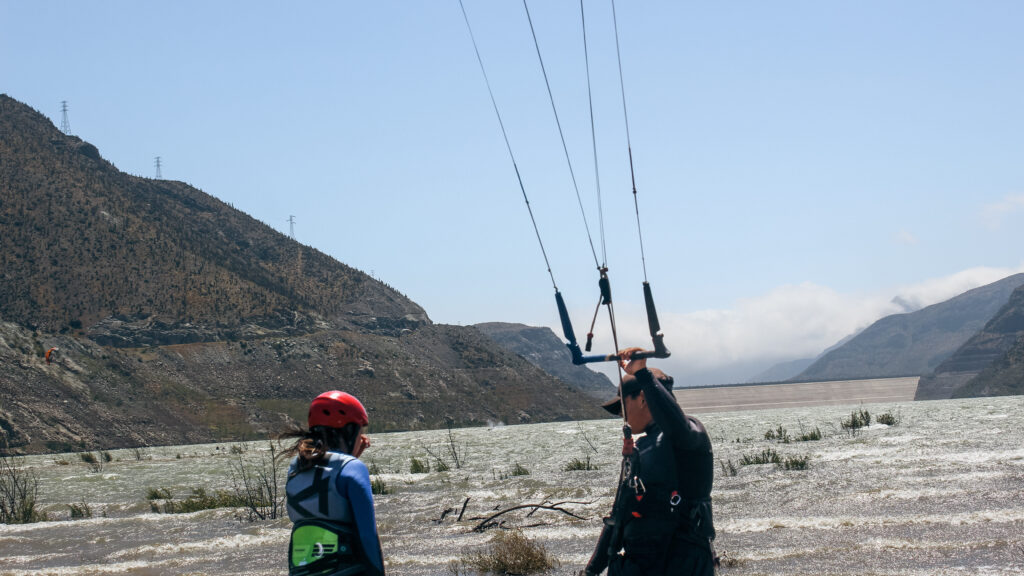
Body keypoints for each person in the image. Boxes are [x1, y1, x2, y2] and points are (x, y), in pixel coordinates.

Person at [585, 348, 717, 576]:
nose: (621, 416)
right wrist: (591, 571)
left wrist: (643, 374)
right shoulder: (639, 450)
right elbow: (618, 515)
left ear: (644, 399)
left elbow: (676, 425)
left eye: (623, 407)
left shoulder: (690, 435)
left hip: (681, 563)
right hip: (639, 565)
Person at [284, 390, 385, 576]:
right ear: (349, 431)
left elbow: (328, 490)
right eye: (359, 432)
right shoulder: (353, 468)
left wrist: (351, 457)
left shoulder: (296, 466)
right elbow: (368, 537)